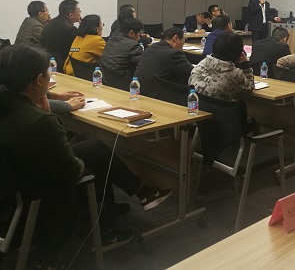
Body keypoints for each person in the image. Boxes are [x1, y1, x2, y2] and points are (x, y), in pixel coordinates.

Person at [0, 45, 171, 264]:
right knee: (94, 169)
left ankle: (139, 194)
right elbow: (72, 172)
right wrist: (49, 115)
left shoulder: (9, 105)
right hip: (36, 194)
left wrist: (46, 98)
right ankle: (107, 231)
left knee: (96, 148)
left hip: (14, 183)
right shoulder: (41, 122)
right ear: (39, 80)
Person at [189, 31, 254, 101]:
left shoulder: (201, 63)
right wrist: (246, 64)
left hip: (195, 105)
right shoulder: (235, 74)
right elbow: (250, 87)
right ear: (237, 52)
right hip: (218, 107)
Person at [134, 27, 193, 98]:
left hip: (142, 93)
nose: (184, 43)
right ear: (176, 38)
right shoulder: (173, 54)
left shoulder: (149, 49)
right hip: (160, 97)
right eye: (184, 39)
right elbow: (193, 74)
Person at [39, 0, 81, 72]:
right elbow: (75, 49)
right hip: (60, 65)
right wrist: (84, 26)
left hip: (45, 61)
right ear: (71, 15)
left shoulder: (50, 22)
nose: (80, 14)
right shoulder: (70, 29)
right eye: (79, 11)